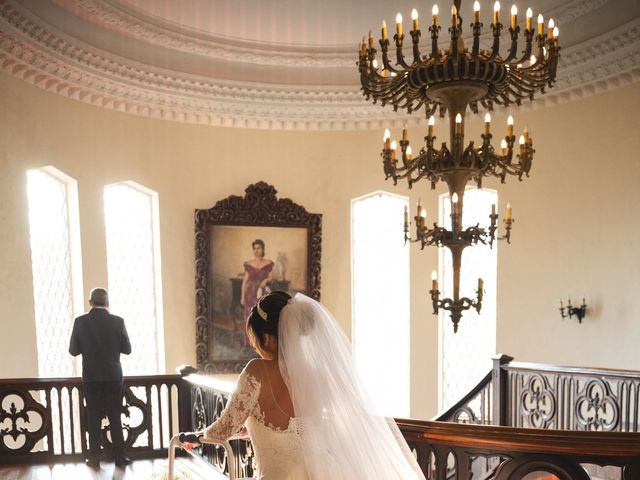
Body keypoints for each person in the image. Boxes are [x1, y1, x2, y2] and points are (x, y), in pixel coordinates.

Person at [194, 291, 426, 480]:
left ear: (266, 338)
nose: (255, 347)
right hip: (326, 470)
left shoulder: (257, 370)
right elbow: (307, 428)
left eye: (254, 339)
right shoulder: (315, 375)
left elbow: (222, 431)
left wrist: (192, 437)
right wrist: (255, 429)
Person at [69, 287, 132, 470]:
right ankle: (121, 458)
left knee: (93, 417)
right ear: (107, 303)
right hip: (113, 377)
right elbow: (127, 349)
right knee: (115, 417)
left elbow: (73, 350)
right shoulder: (118, 321)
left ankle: (94, 458)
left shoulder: (80, 322)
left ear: (90, 303)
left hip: (91, 377)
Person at [240, 239, 274, 322]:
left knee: (261, 317)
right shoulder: (249, 264)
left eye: (258, 248)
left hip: (262, 293)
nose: (256, 251)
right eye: (254, 248)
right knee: (250, 317)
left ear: (263, 249)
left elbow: (271, 278)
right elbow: (244, 282)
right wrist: (242, 297)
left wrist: (265, 281)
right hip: (249, 293)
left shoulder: (268, 263)